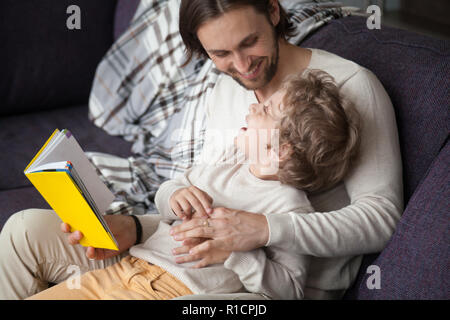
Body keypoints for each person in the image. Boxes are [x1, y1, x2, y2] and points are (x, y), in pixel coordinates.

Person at [0, 0, 402, 299]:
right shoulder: (227, 88)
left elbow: (382, 219)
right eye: (221, 54)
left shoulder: (350, 86)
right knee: (23, 231)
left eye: (251, 42)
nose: (243, 66)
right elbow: (203, 203)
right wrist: (138, 226)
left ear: (274, 12)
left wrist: (260, 230)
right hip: (176, 257)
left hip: (246, 293)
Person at [27, 69, 361, 299]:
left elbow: (288, 290)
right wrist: (175, 195)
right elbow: (166, 195)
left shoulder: (288, 209)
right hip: (126, 268)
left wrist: (235, 255)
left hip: (177, 291)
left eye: (269, 108)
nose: (255, 105)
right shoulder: (228, 159)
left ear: (281, 150)